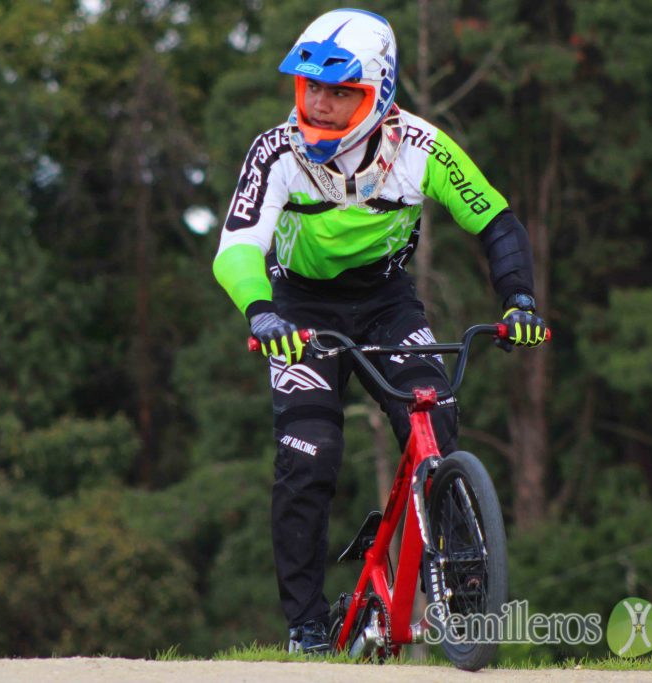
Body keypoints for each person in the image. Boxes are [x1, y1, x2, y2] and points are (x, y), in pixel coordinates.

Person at [211, 8, 547, 654]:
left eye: (342, 92)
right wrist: (261, 311)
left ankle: (456, 592)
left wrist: (520, 302)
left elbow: (497, 222)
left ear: (381, 93)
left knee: (436, 415)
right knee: (309, 452)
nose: (322, 105)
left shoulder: (422, 148)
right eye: (311, 89)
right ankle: (306, 626)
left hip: (387, 303)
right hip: (298, 308)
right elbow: (234, 248)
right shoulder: (275, 150)